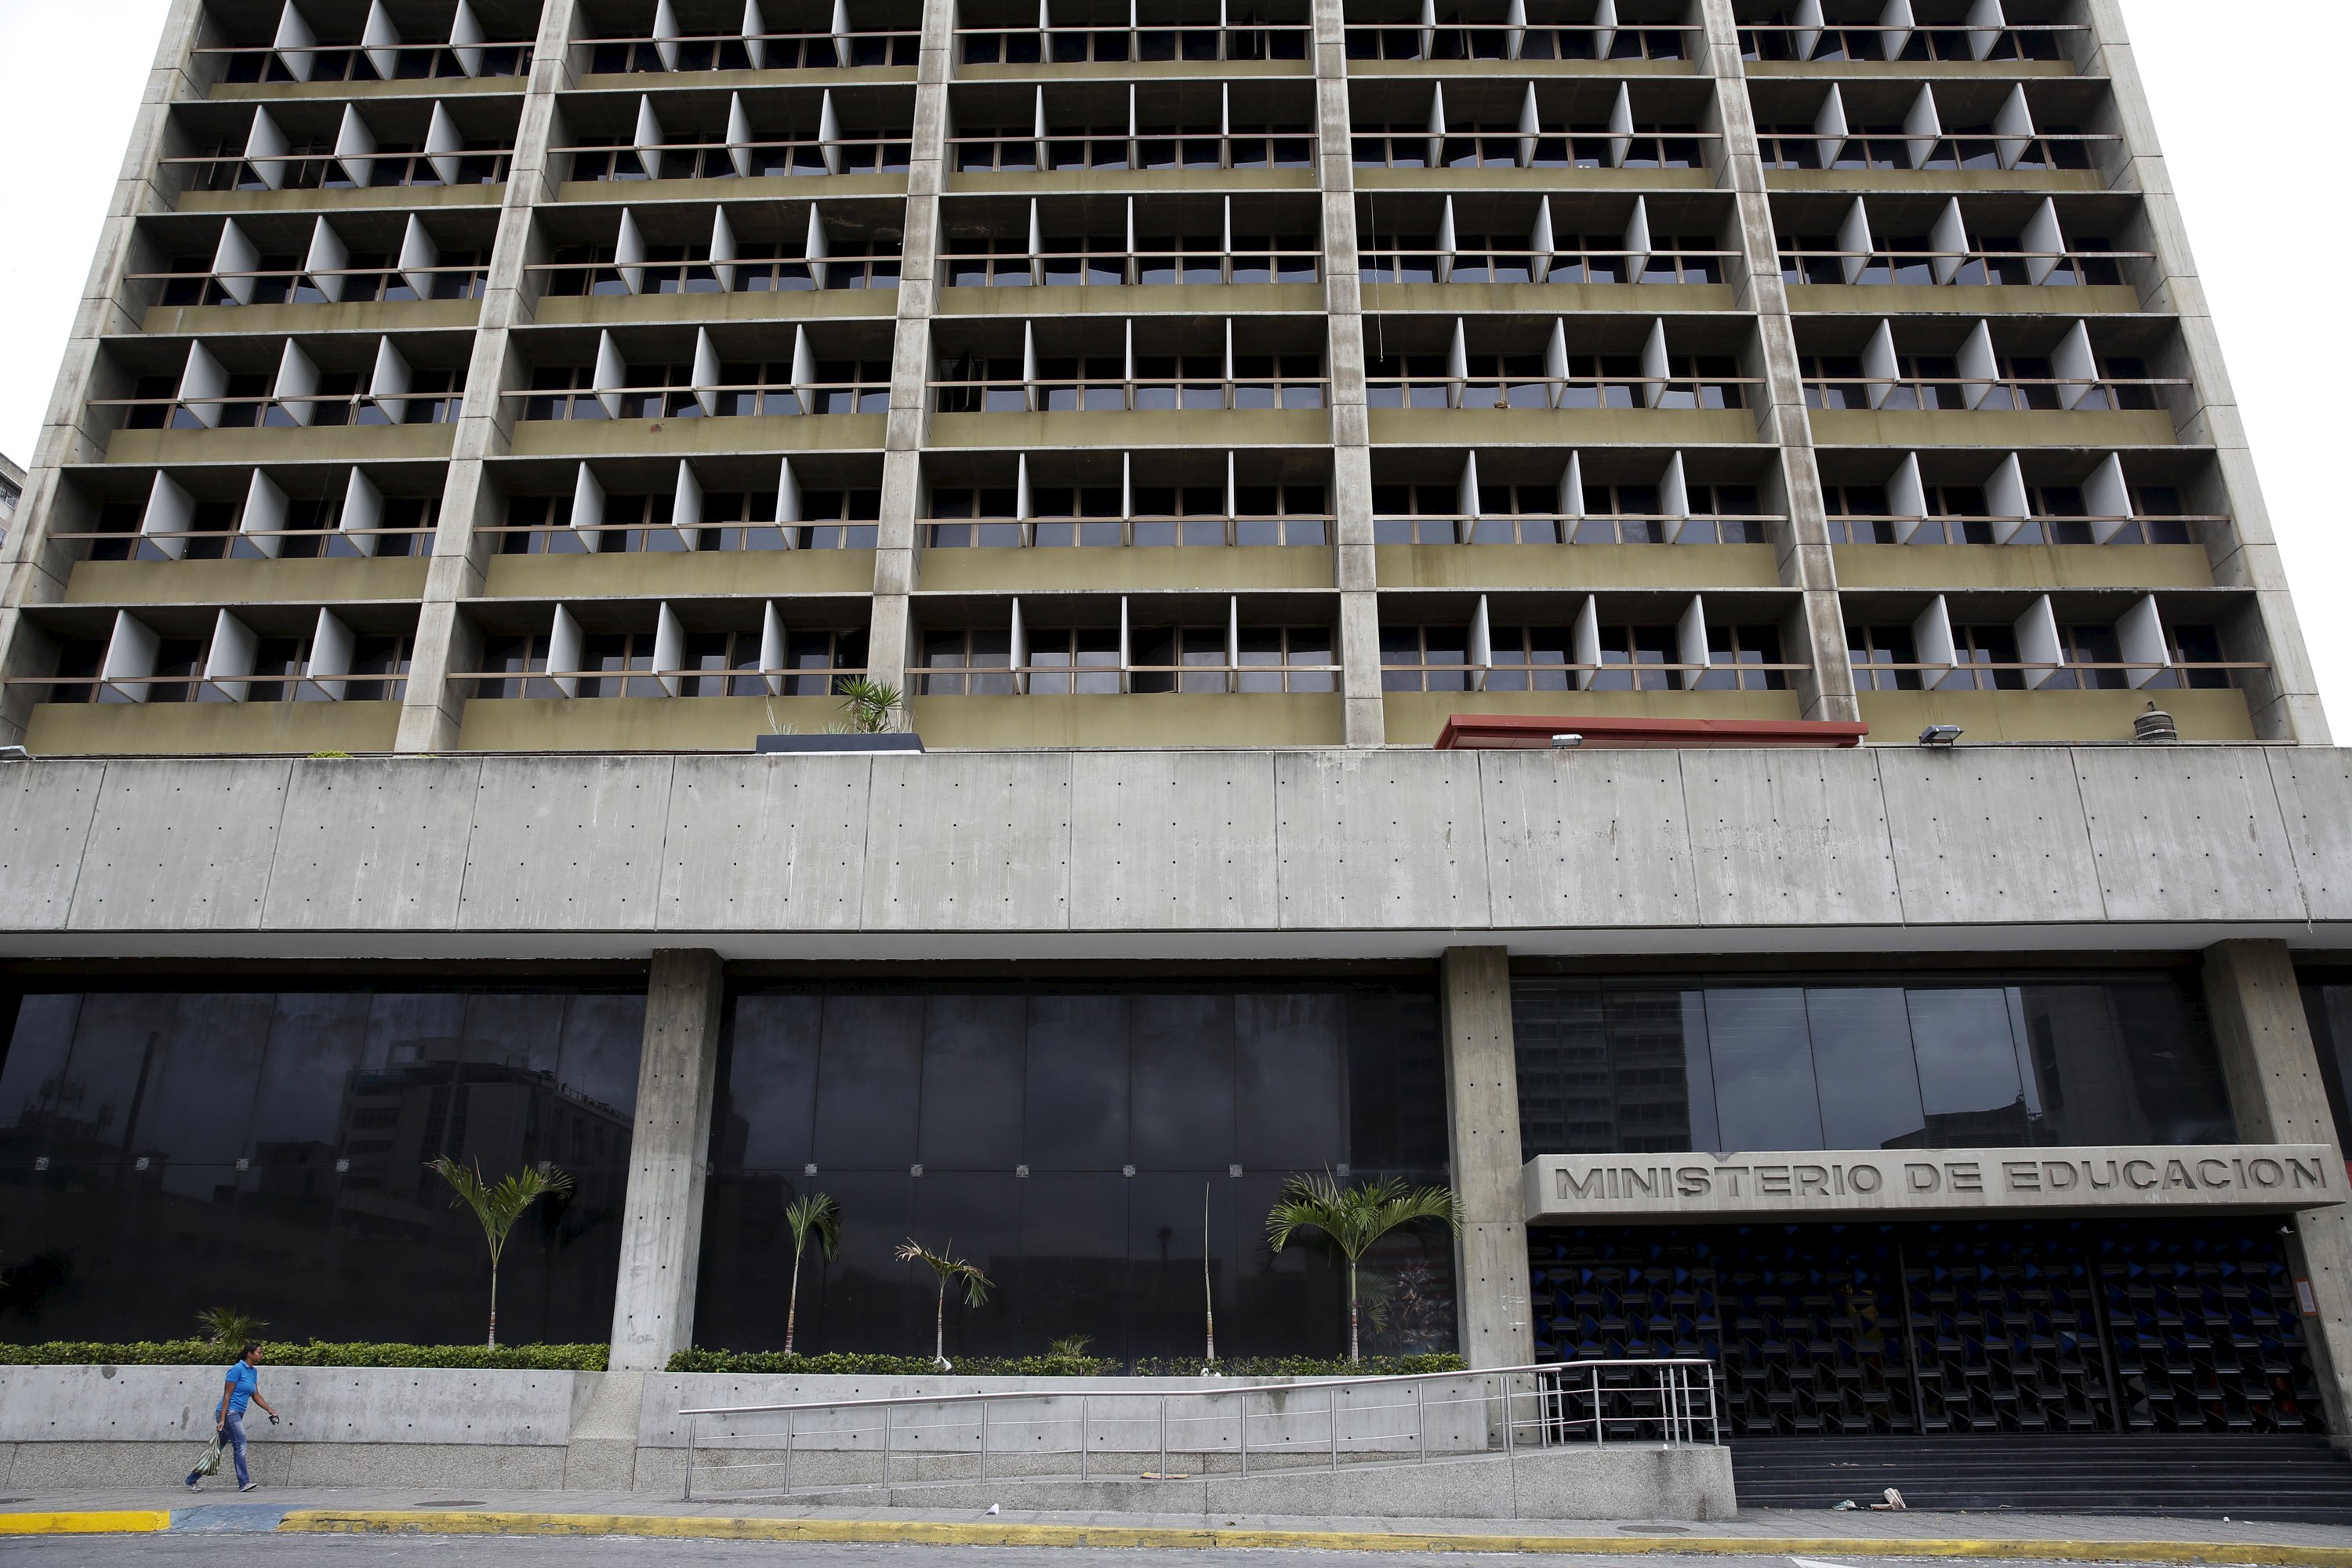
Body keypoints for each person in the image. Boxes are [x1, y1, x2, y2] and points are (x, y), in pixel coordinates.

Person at [185, 1342, 278, 1493]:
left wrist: (269, 1409)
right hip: (229, 1413)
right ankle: (244, 1483)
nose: (261, 1355)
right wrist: (222, 1419)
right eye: (259, 1353)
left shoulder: (253, 1372)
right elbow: (227, 1395)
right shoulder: (236, 1369)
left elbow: (255, 1394)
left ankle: (191, 1479)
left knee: (217, 1448)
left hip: (238, 1413)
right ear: (250, 1354)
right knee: (240, 1444)